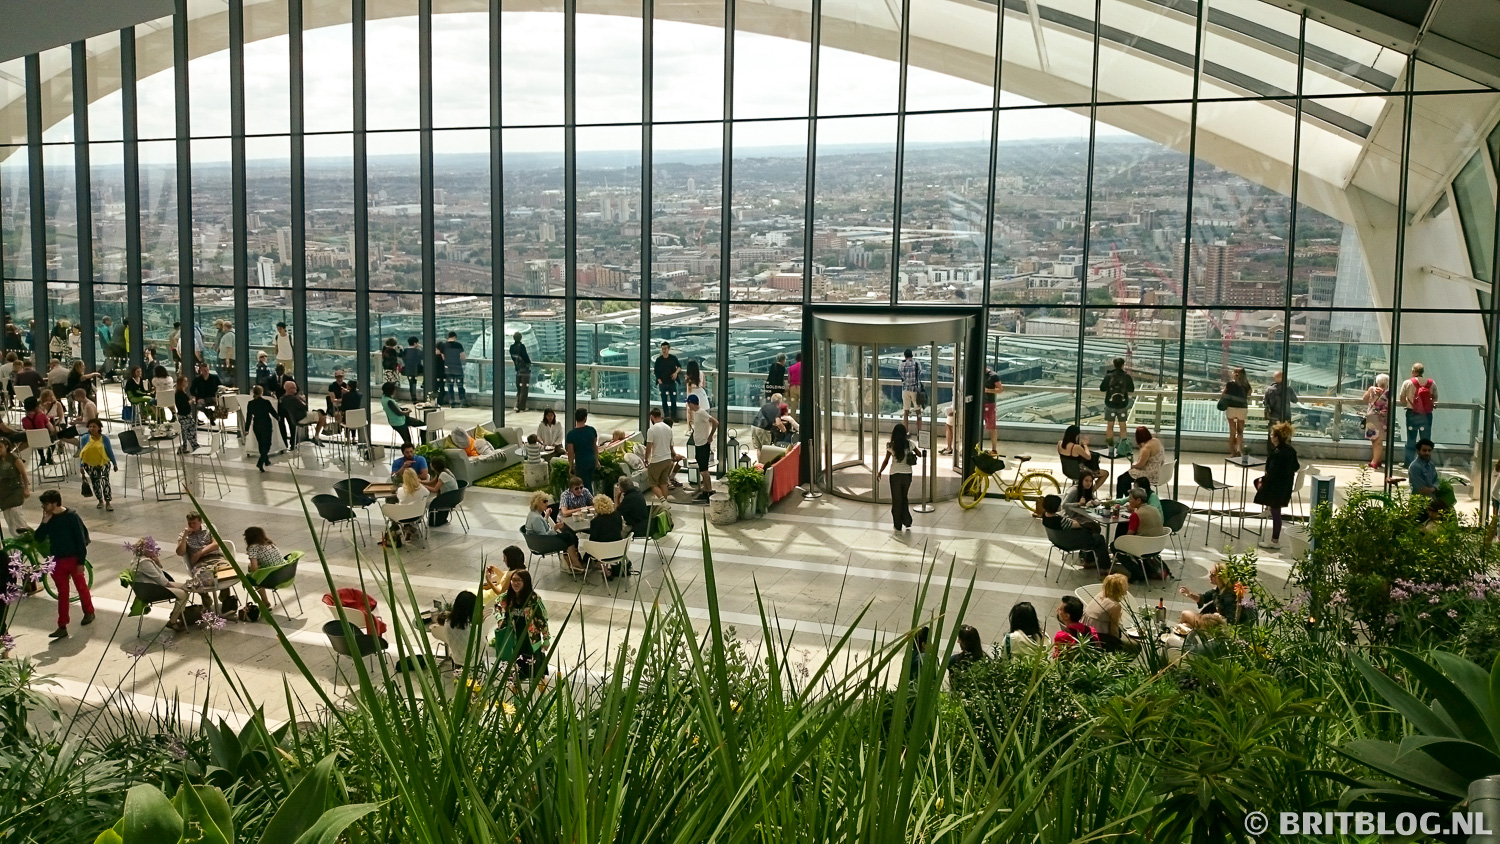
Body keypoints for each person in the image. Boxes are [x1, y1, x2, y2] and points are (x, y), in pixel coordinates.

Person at [36, 490, 93, 639]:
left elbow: (80, 540)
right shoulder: (49, 518)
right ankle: (62, 625)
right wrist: (44, 523)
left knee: (81, 586)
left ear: (55, 503)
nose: (43, 507)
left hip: (73, 558)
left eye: (46, 504)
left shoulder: (71, 517)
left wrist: (81, 561)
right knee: (62, 592)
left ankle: (89, 612)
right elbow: (39, 537)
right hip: (57, 560)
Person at [1254, 421, 1300, 551]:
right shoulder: (1290, 450)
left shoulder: (1277, 453)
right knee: (1275, 509)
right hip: (1286, 486)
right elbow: (1296, 466)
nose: (1271, 437)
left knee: (1276, 513)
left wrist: (1263, 480)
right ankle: (1269, 507)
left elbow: (1272, 473)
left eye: (1272, 435)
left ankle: (1275, 540)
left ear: (1276, 438)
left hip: (1276, 489)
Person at [499, 569, 550, 682]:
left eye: (519, 580)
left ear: (525, 582)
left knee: (534, 671)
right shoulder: (507, 597)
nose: (515, 583)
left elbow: (543, 620)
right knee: (517, 669)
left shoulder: (534, 599)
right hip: (514, 638)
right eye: (513, 580)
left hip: (531, 640)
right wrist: (500, 619)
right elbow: (498, 608)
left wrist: (546, 639)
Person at [129, 540, 190, 632]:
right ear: (143, 550)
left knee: (186, 586)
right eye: (150, 548)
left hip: (153, 584)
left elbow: (159, 572)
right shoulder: (144, 563)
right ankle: (173, 621)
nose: (154, 549)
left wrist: (157, 562)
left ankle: (176, 614)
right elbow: (161, 580)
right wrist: (172, 587)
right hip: (151, 590)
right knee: (183, 594)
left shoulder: (140, 559)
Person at [1039, 494, 1110, 571]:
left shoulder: (1045, 517)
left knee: (1094, 532)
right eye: (1059, 504)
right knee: (1099, 538)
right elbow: (1077, 525)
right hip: (1069, 542)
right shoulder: (1059, 521)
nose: (1060, 505)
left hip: (1058, 540)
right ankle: (1105, 568)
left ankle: (1089, 560)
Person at [177, 511, 227, 605]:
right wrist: (184, 537)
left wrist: (199, 553)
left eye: (194, 523)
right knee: (202, 580)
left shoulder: (209, 527)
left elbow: (216, 544)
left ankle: (225, 597)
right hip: (200, 562)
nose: (192, 525)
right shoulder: (184, 535)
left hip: (215, 557)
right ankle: (206, 598)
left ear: (200, 522)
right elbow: (180, 552)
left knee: (226, 574)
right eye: (189, 523)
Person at [876, 423, 918, 532]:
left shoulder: (891, 446)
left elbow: (886, 461)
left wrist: (880, 471)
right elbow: (919, 454)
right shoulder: (910, 444)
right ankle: (907, 520)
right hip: (907, 475)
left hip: (895, 475)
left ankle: (898, 524)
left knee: (896, 500)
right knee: (904, 497)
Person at [526, 491, 582, 572]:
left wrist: (546, 516)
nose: (547, 504)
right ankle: (575, 562)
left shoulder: (532, 514)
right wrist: (555, 528)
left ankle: (571, 562)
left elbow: (540, 527)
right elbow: (544, 536)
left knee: (567, 535)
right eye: (544, 501)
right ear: (537, 503)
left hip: (535, 542)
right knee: (568, 536)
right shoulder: (536, 518)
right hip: (542, 544)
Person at [1398, 363, 1437, 466]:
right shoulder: (1431, 383)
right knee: (1426, 439)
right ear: (1423, 372)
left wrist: (1409, 400)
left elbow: (1402, 399)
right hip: (1427, 415)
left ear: (1413, 371)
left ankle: (1409, 463)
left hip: (1412, 414)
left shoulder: (1407, 383)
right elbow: (1435, 398)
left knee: (1411, 438)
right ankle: (1425, 462)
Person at [429, 590, 479, 667]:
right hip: (472, 662)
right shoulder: (471, 627)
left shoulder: (447, 623)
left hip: (456, 660)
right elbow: (482, 644)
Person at [77, 419, 117, 511]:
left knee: (105, 481)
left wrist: (114, 463)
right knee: (95, 483)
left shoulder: (104, 439)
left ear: (99, 428)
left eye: (94, 426)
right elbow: (82, 453)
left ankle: (108, 501)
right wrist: (81, 465)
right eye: (90, 427)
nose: (91, 428)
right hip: (90, 465)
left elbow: (109, 451)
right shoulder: (85, 438)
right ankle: (100, 500)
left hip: (103, 463)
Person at [241, 526, 282, 612]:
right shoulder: (270, 543)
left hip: (271, 578)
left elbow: (254, 569)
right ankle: (264, 601)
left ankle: (265, 601)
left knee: (252, 578)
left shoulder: (253, 548)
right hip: (282, 574)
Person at [685, 395, 718, 501]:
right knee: (703, 469)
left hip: (703, 445)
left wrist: (710, 436)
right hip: (699, 444)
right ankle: (707, 489)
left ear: (691, 403)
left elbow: (715, 422)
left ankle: (708, 491)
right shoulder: (697, 413)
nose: (687, 405)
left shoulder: (701, 412)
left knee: (704, 470)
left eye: (688, 403)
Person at [1116, 426, 1163, 497]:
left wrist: (1133, 466)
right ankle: (1128, 497)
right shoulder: (1156, 441)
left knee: (1122, 479)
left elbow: (1140, 465)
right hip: (1157, 470)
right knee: (1126, 477)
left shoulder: (1146, 448)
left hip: (1149, 473)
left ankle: (1121, 498)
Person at [1099, 358, 1134, 446]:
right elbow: (1131, 389)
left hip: (1110, 404)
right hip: (1122, 405)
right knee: (1122, 426)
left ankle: (1110, 446)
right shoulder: (1126, 376)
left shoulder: (1109, 376)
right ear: (1123, 365)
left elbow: (1102, 388)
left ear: (1113, 365)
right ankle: (1123, 446)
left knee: (1110, 425)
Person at [1082, 573, 1128, 639]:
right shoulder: (1115, 606)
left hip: (1085, 630)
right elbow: (1114, 630)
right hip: (1098, 635)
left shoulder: (1101, 595)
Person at [0, 438, 31, 536]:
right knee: (8, 518)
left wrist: (26, 488)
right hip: (3, 491)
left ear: (6, 447)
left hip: (15, 489)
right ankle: (17, 539)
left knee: (16, 513)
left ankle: (27, 535)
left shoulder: (14, 458)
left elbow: (23, 473)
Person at [644, 407, 676, 499]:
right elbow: (671, 446)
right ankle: (664, 504)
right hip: (667, 460)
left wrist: (646, 459)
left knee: (653, 483)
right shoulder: (668, 428)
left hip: (657, 460)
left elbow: (649, 447)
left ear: (652, 417)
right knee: (663, 483)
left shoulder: (652, 430)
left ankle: (663, 502)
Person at [380, 381, 424, 447]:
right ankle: (421, 446)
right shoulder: (389, 401)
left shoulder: (384, 398)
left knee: (422, 425)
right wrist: (407, 411)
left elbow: (396, 409)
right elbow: (399, 413)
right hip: (399, 423)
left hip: (398, 420)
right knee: (408, 441)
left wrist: (403, 409)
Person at [566, 408, 600, 492]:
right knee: (589, 483)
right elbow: (595, 447)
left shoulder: (571, 434)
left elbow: (571, 453)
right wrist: (597, 461)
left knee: (585, 486)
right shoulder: (591, 430)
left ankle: (590, 502)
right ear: (585, 418)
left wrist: (570, 466)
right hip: (591, 460)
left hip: (581, 462)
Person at [279, 380, 322, 447]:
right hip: (302, 417)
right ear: (290, 389)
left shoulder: (283, 399)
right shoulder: (293, 399)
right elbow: (305, 408)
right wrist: (303, 400)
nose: (296, 389)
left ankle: (324, 429)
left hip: (295, 419)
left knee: (319, 412)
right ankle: (317, 435)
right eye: (294, 387)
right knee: (322, 416)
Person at [245, 385, 277, 472]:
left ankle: (266, 460)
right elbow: (273, 412)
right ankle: (261, 461)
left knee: (261, 443)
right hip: (266, 424)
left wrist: (246, 429)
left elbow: (248, 417)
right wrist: (278, 418)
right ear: (261, 392)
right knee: (267, 444)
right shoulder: (266, 402)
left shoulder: (250, 403)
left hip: (257, 425)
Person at [1362, 373, 1391, 469]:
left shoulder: (1372, 389)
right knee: (1379, 440)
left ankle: (1375, 461)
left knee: (1374, 440)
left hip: (1371, 416)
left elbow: (1364, 399)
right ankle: (1376, 461)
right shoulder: (1389, 393)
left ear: (1377, 382)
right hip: (1382, 418)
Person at [1220, 367, 1250, 457]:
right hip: (1242, 409)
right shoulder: (1246, 385)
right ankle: (1240, 451)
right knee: (1240, 431)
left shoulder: (1229, 384)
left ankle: (1232, 452)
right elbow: (1248, 395)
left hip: (1231, 408)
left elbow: (1223, 394)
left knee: (1232, 431)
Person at [190, 361, 223, 427]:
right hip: (202, 398)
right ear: (201, 370)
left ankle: (212, 416)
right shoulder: (197, 380)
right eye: (204, 370)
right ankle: (210, 414)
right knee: (199, 406)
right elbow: (192, 390)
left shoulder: (214, 378)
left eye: (207, 370)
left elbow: (220, 387)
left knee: (220, 406)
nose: (206, 371)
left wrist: (217, 396)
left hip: (213, 398)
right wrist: (198, 398)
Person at [654, 342, 681, 421]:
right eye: (662, 349)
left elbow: (679, 366)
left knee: (673, 399)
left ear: (668, 349)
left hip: (672, 382)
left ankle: (673, 416)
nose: (664, 350)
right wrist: (659, 380)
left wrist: (676, 373)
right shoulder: (659, 360)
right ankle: (666, 416)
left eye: (665, 349)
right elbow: (656, 371)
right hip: (662, 383)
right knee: (664, 400)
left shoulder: (673, 358)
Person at [898, 348, 923, 434]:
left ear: (905, 356)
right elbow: (919, 372)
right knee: (918, 412)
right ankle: (919, 432)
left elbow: (900, 373)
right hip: (915, 389)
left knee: (906, 411)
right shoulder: (916, 363)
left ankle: (906, 431)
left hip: (905, 389)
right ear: (912, 355)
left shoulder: (901, 365)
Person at [982, 365, 1003, 453]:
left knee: (991, 427)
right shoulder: (979, 375)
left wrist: (987, 390)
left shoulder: (993, 375)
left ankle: (994, 449)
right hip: (980, 402)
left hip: (989, 403)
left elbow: (1000, 389)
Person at [441, 331, 466, 406]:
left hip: (448, 368)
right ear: (455, 337)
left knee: (450, 386)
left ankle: (452, 401)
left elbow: (443, 357)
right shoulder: (458, 345)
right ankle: (462, 401)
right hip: (458, 368)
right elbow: (463, 357)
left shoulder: (444, 346)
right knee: (460, 386)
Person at [174, 375, 198, 452]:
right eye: (185, 381)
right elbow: (183, 405)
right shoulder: (179, 394)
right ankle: (192, 446)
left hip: (186, 415)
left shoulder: (182, 393)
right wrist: (191, 401)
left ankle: (187, 447)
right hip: (184, 416)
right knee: (189, 431)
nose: (187, 382)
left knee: (187, 431)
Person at [509, 332, 532, 412]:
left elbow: (514, 358)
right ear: (520, 338)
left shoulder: (511, 347)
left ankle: (517, 405)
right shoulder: (521, 346)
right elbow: (525, 356)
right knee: (524, 389)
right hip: (524, 371)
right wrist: (529, 363)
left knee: (518, 388)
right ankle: (522, 406)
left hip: (517, 370)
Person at [402, 336, 423, 402]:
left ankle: (414, 398)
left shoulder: (405, 351)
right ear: (415, 343)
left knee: (412, 384)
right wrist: (422, 347)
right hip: (418, 369)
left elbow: (402, 357)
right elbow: (424, 356)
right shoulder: (418, 351)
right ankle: (423, 384)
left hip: (408, 369)